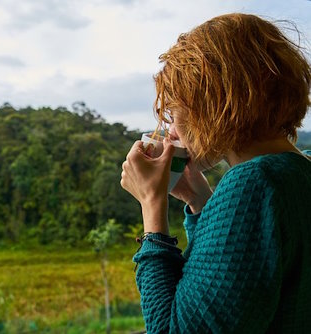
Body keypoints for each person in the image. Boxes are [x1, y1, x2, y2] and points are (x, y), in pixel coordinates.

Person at [120, 13, 311, 333]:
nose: (169, 130)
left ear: (209, 104)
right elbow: (239, 282)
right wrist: (200, 199)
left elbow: (174, 329)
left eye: (173, 112)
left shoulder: (253, 185)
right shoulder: (298, 170)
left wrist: (152, 205)